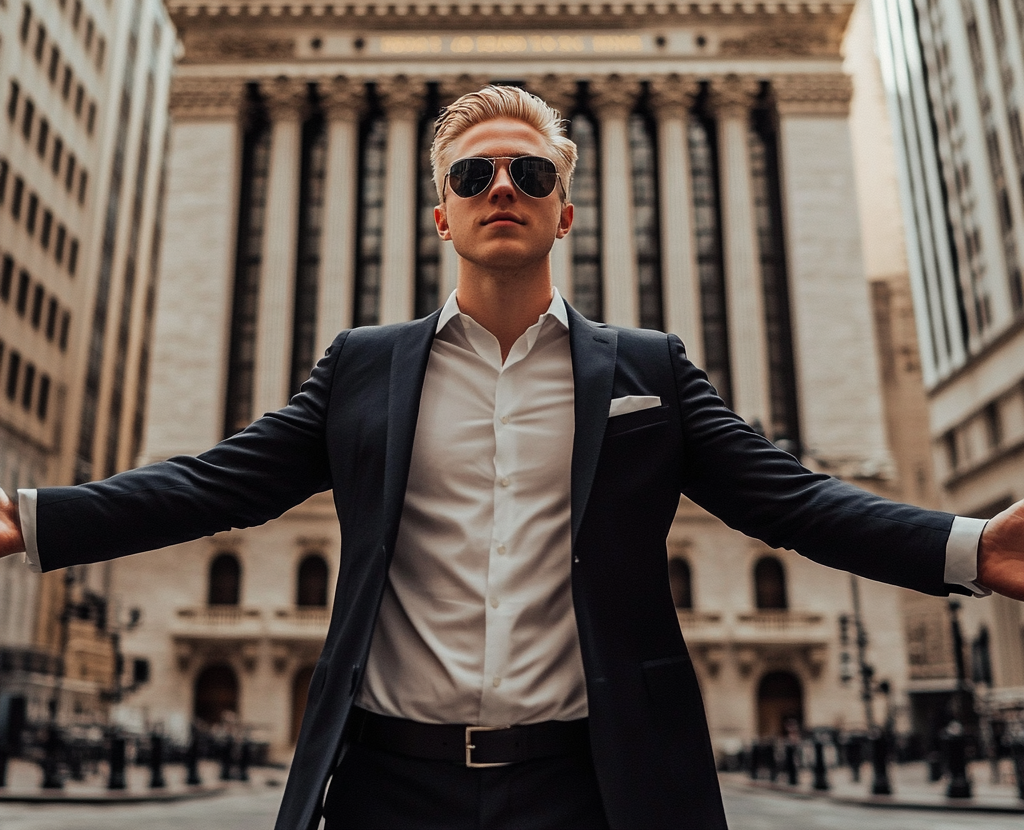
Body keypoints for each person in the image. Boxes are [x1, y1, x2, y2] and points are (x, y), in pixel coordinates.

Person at [1, 85, 1023, 830]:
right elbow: (213, 483)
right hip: (387, 784)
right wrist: (28, 517)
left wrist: (971, 545)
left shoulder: (649, 369)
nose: (503, 186)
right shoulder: (361, 369)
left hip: (585, 783)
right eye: (474, 173)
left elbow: (790, 502)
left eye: (529, 173)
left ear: (562, 213)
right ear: (441, 213)